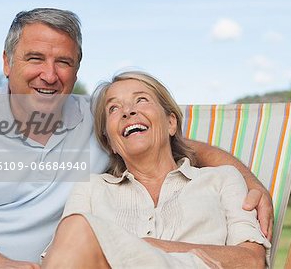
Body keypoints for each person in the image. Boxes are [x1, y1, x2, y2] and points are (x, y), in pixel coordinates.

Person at [0, 8, 273, 269]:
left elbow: (179, 146)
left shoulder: (94, 117)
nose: (49, 75)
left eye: (63, 62)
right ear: (7, 63)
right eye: (35, 58)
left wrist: (250, 181)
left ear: (77, 67)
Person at [42, 71, 271, 268]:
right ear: (110, 142)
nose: (127, 111)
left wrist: (149, 247)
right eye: (113, 108)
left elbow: (251, 261)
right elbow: (59, 257)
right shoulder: (91, 188)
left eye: (141, 100)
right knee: (76, 227)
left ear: (171, 123)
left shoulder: (223, 179)